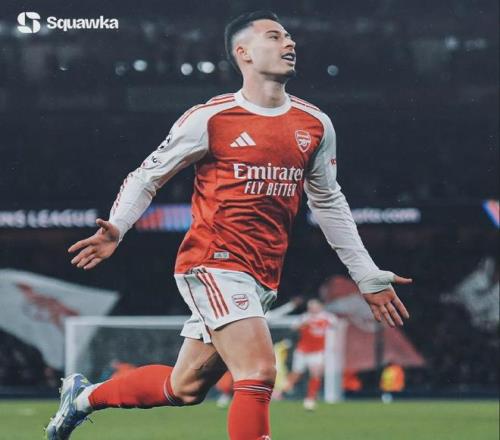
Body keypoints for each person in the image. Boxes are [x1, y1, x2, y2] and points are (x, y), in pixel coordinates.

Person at [46, 10, 412, 440]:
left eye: (289, 36)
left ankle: (84, 397)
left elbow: (328, 201)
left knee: (184, 387)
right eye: (274, 36)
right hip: (212, 263)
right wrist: (118, 226)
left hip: (263, 274)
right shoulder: (210, 118)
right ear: (244, 53)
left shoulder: (314, 124)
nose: (289, 43)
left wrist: (365, 273)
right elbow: (147, 176)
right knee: (258, 370)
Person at [284, 299, 337, 410]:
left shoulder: (328, 318)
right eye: (310, 307)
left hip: (318, 351)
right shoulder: (304, 317)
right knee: (296, 374)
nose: (312, 309)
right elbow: (293, 327)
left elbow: (336, 328)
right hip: (302, 351)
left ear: (320, 306)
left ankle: (310, 398)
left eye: (314, 306)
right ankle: (280, 393)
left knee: (316, 373)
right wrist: (303, 324)